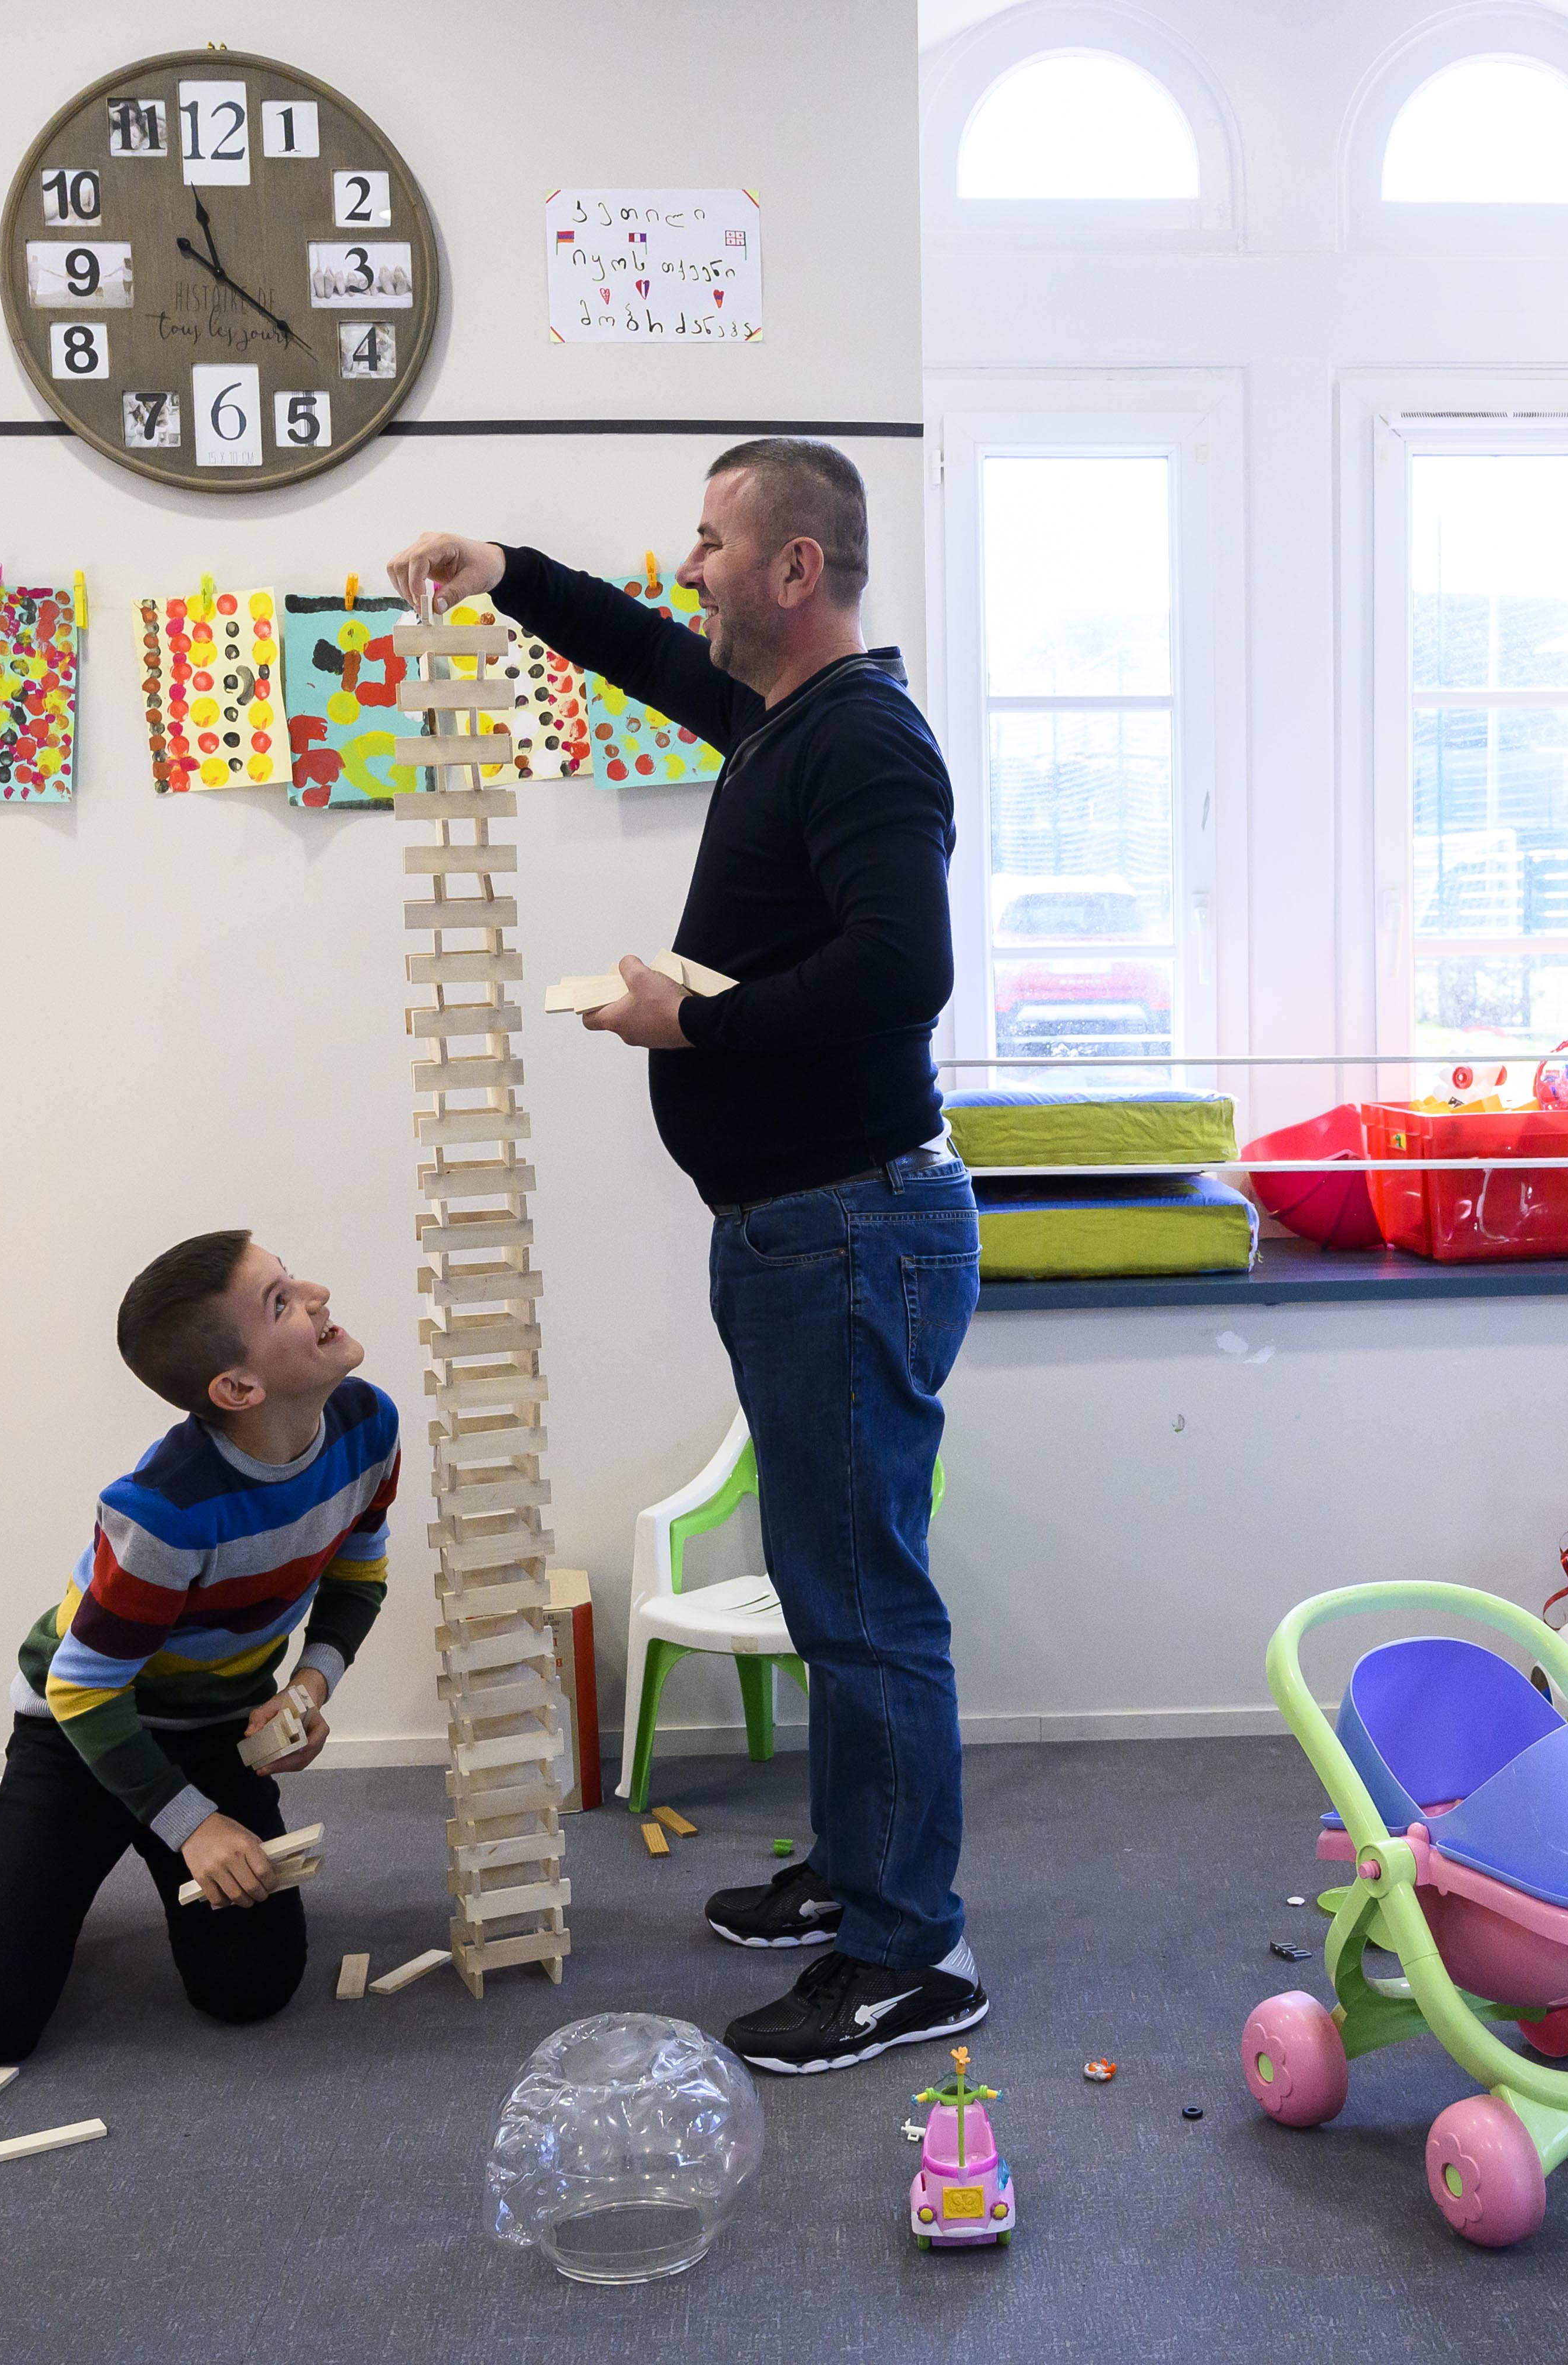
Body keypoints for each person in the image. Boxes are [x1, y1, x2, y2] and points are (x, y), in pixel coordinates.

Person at [388, 438, 983, 2076]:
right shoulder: (789, 719)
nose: (694, 568)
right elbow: (650, 654)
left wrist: (691, 1017)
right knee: (829, 1581)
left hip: (851, 1227)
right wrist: (507, 569)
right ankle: (860, 1876)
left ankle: (911, 1958)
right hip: (807, 1227)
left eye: (715, 542)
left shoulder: (862, 741)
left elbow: (902, 968)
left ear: (798, 570)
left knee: (864, 1605)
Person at [0, 1231, 396, 2064]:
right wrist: (193, 1826)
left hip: (211, 1723)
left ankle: (145, 1835)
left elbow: (358, 1575)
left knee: (250, 1988)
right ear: (238, 1385)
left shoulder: (369, 1427)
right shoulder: (165, 1513)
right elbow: (83, 1692)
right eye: (281, 1301)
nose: (317, 1292)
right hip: (88, 1729)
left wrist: (307, 1689)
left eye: (291, 1275)